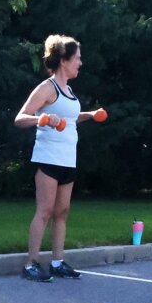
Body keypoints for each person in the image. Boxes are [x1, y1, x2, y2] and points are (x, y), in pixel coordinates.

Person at [13, 35, 103, 281]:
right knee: (44, 211)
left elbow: (70, 118)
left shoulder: (68, 90)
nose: (80, 63)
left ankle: (57, 262)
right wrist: (41, 119)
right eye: (77, 58)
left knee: (62, 212)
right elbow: (20, 118)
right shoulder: (47, 88)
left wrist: (91, 115)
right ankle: (31, 264)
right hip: (48, 158)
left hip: (68, 159)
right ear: (64, 60)